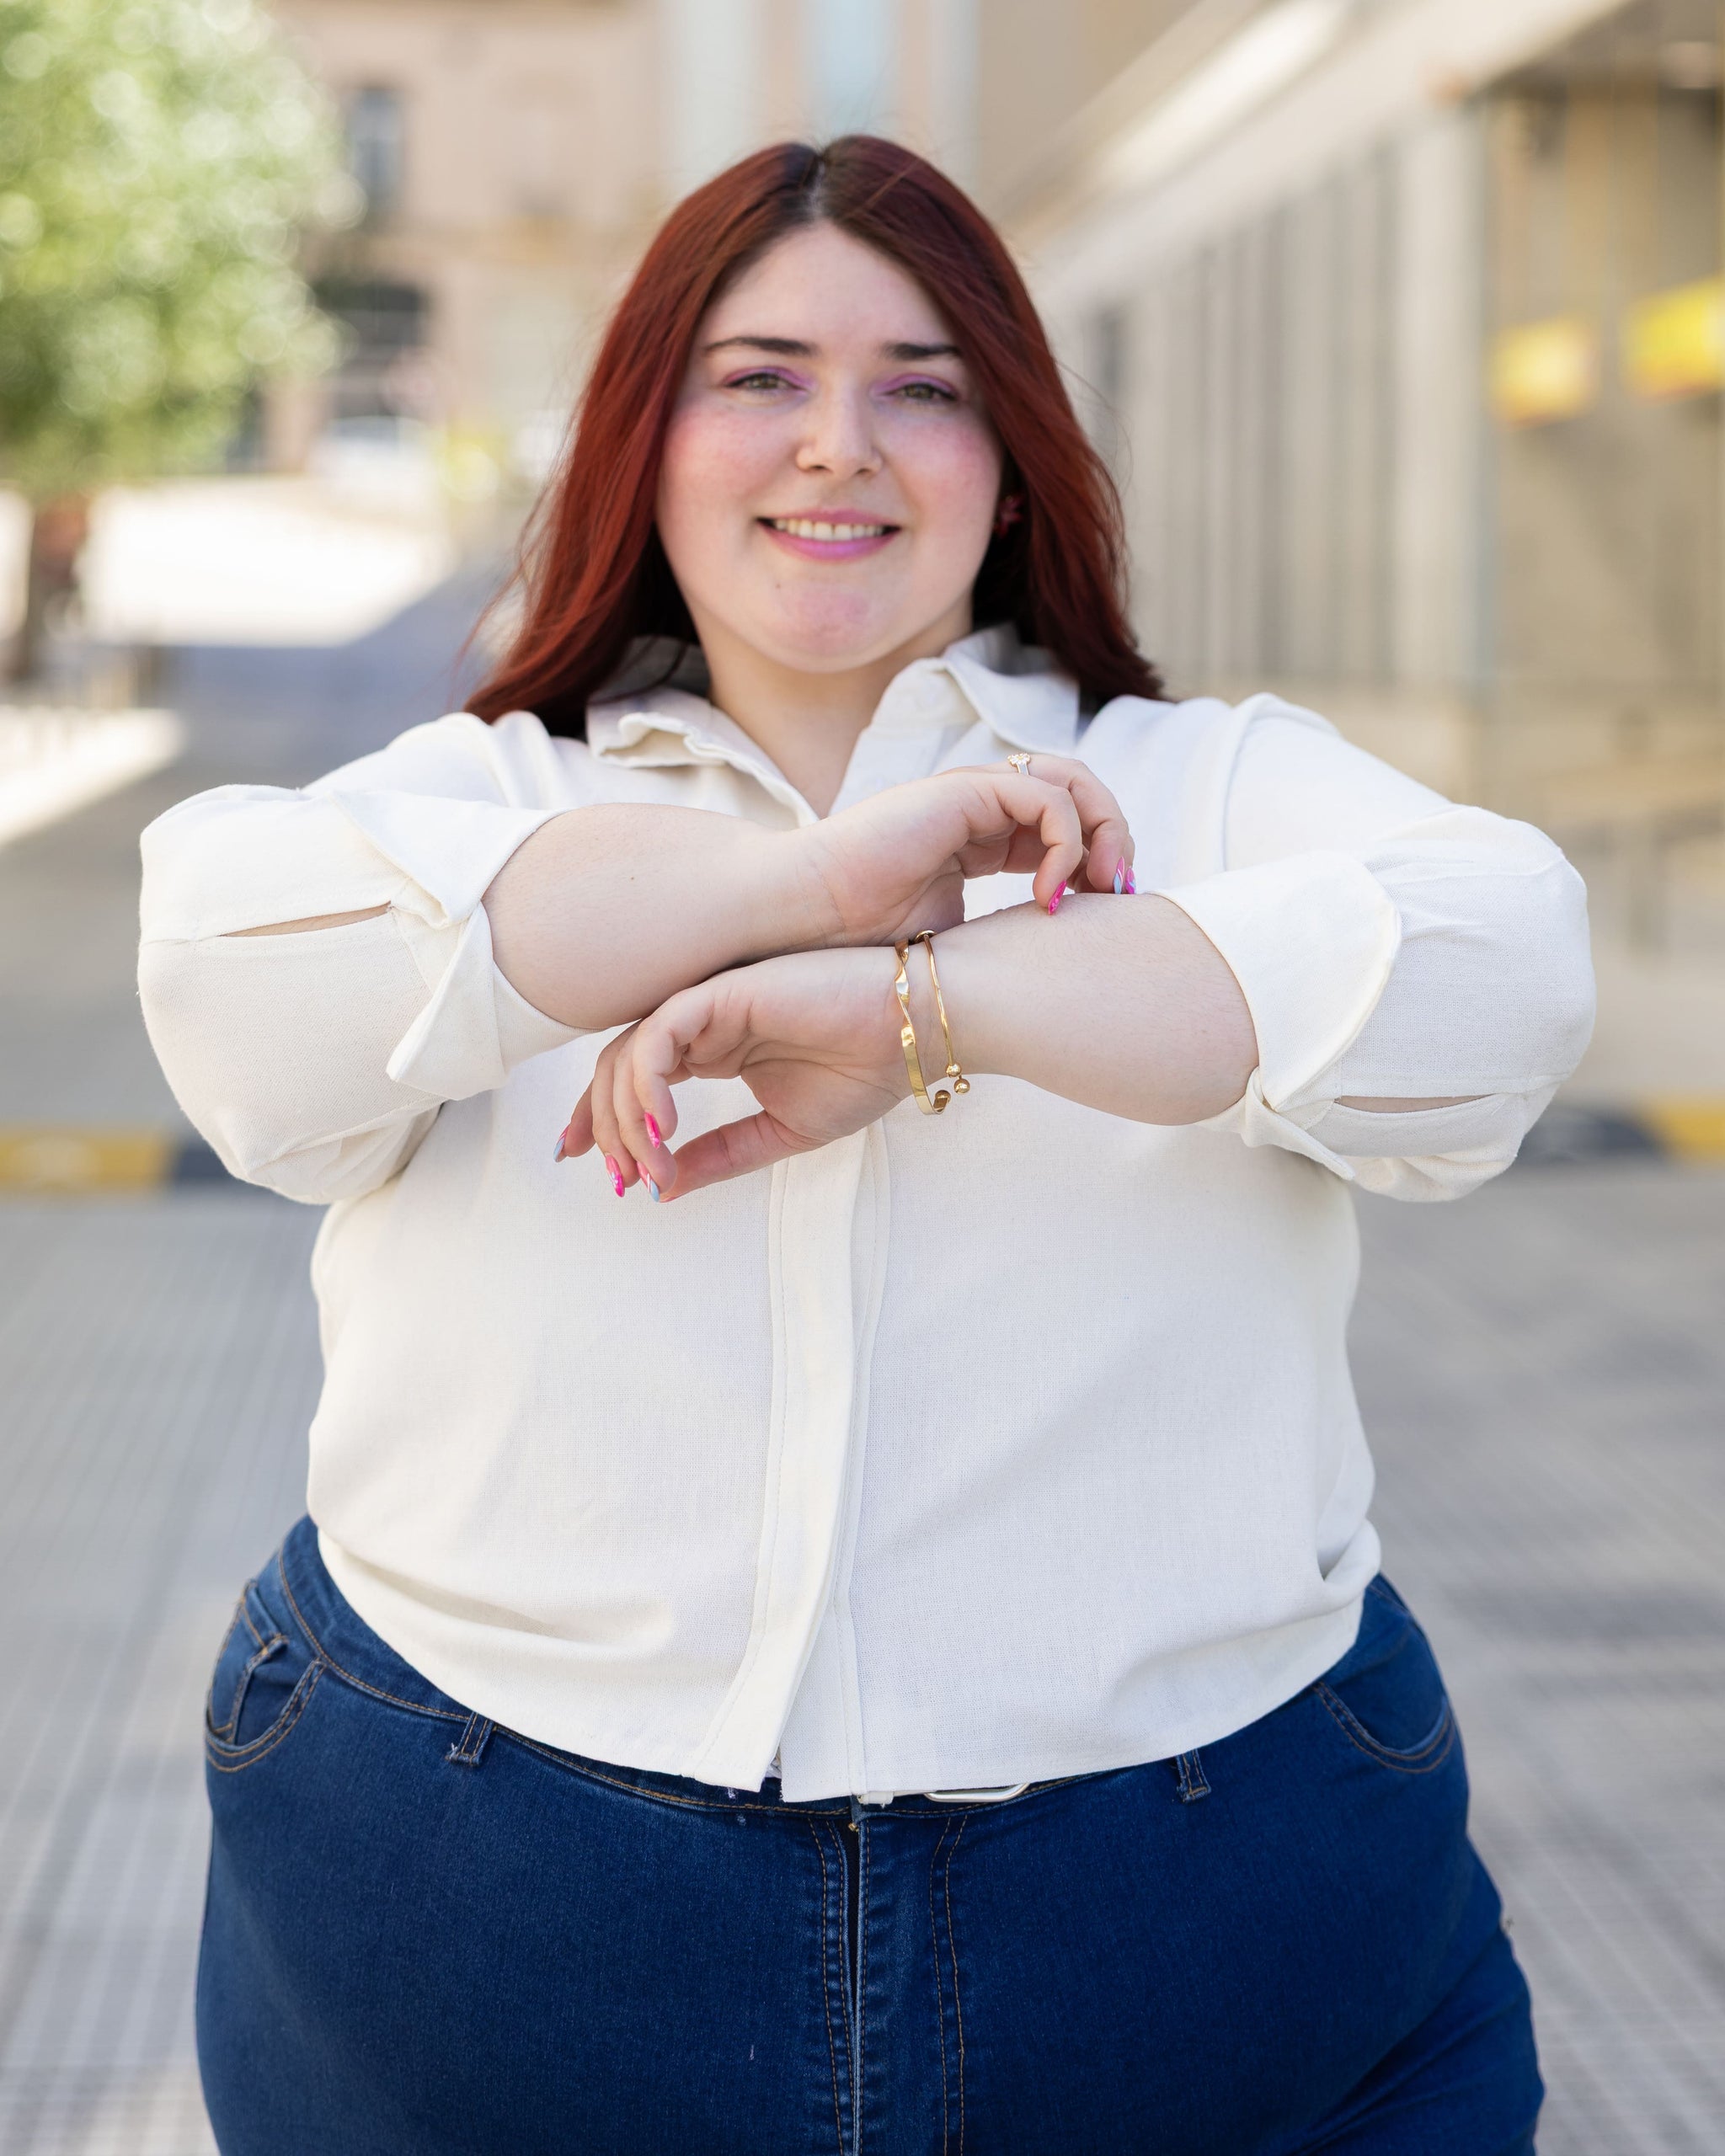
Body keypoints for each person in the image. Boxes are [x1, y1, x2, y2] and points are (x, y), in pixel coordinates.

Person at [139, 136, 1594, 2156]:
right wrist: (810, 875)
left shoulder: (1193, 781)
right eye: (759, 376)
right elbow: (230, 986)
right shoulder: (478, 793)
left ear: (1013, 458)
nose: (841, 445)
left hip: (1197, 1879)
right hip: (490, 1875)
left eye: (923, 384)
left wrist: (928, 1004)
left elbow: (1501, 967)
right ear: (643, 434)